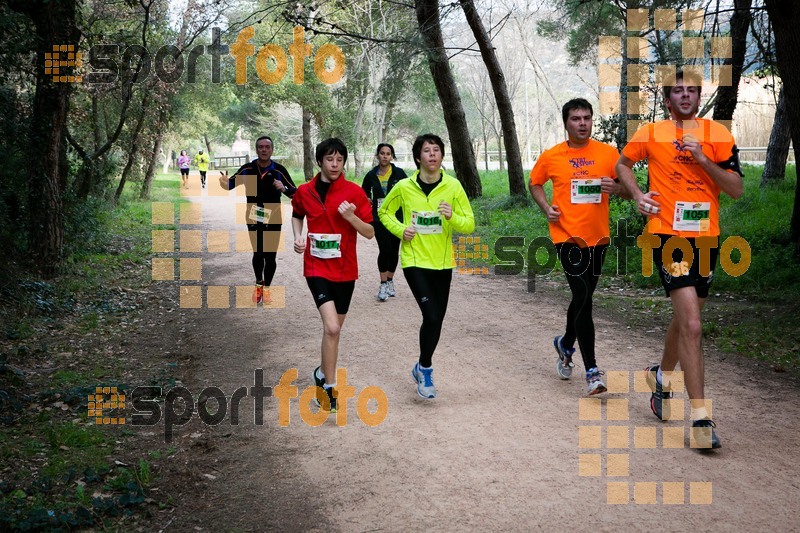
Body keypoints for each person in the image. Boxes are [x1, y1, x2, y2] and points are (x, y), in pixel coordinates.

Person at [616, 70, 743, 450]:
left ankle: (661, 378)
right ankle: (702, 420)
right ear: (668, 99)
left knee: (684, 321)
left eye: (691, 91)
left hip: (706, 239)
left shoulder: (717, 135)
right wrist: (638, 194)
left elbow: (735, 189)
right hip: (668, 235)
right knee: (691, 324)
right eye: (678, 91)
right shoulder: (652, 133)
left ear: (699, 97)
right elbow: (623, 164)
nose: (685, 96)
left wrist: (703, 159)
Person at [529, 98, 629, 396]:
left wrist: (617, 188)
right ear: (566, 123)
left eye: (586, 118)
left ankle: (565, 343)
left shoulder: (608, 154)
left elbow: (626, 188)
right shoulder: (552, 156)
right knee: (584, 297)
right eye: (576, 118)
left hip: (598, 238)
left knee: (582, 298)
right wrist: (546, 207)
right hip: (567, 237)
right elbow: (535, 183)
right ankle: (592, 371)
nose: (582, 123)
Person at [378, 134, 475, 399]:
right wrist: (401, 230)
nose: (432, 155)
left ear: (442, 156)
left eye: (436, 150)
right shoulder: (404, 187)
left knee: (436, 319)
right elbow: (383, 212)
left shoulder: (453, 187)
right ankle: (427, 369)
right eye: (426, 151)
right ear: (418, 156)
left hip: (443, 263)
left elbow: (469, 224)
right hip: (414, 261)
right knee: (431, 316)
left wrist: (452, 216)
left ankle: (421, 365)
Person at [291, 138, 374, 413]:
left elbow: (370, 232)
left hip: (345, 270)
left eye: (339, 159)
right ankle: (328, 387)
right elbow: (297, 214)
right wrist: (297, 236)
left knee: (334, 332)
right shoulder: (304, 191)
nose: (335, 164)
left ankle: (321, 373)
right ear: (320, 161)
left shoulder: (355, 193)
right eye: (329, 159)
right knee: (332, 327)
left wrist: (351, 217)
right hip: (315, 267)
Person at [219, 136, 297, 304]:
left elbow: (294, 192)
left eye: (267, 147)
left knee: (270, 256)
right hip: (254, 216)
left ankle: (267, 288)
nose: (263, 150)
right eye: (260, 147)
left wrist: (283, 188)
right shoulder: (248, 169)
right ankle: (258, 283)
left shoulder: (279, 170)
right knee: (258, 253)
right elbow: (230, 185)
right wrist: (223, 181)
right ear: (256, 150)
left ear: (272, 150)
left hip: (274, 216)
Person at [362, 143, 408, 301]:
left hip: (397, 217)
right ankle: (382, 284)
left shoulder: (399, 174)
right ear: (378, 155)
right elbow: (364, 192)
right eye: (382, 153)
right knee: (385, 249)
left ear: (392, 156)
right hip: (379, 218)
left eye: (388, 153)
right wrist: (367, 199)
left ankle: (390, 281)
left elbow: (408, 191)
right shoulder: (371, 175)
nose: (385, 156)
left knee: (394, 250)